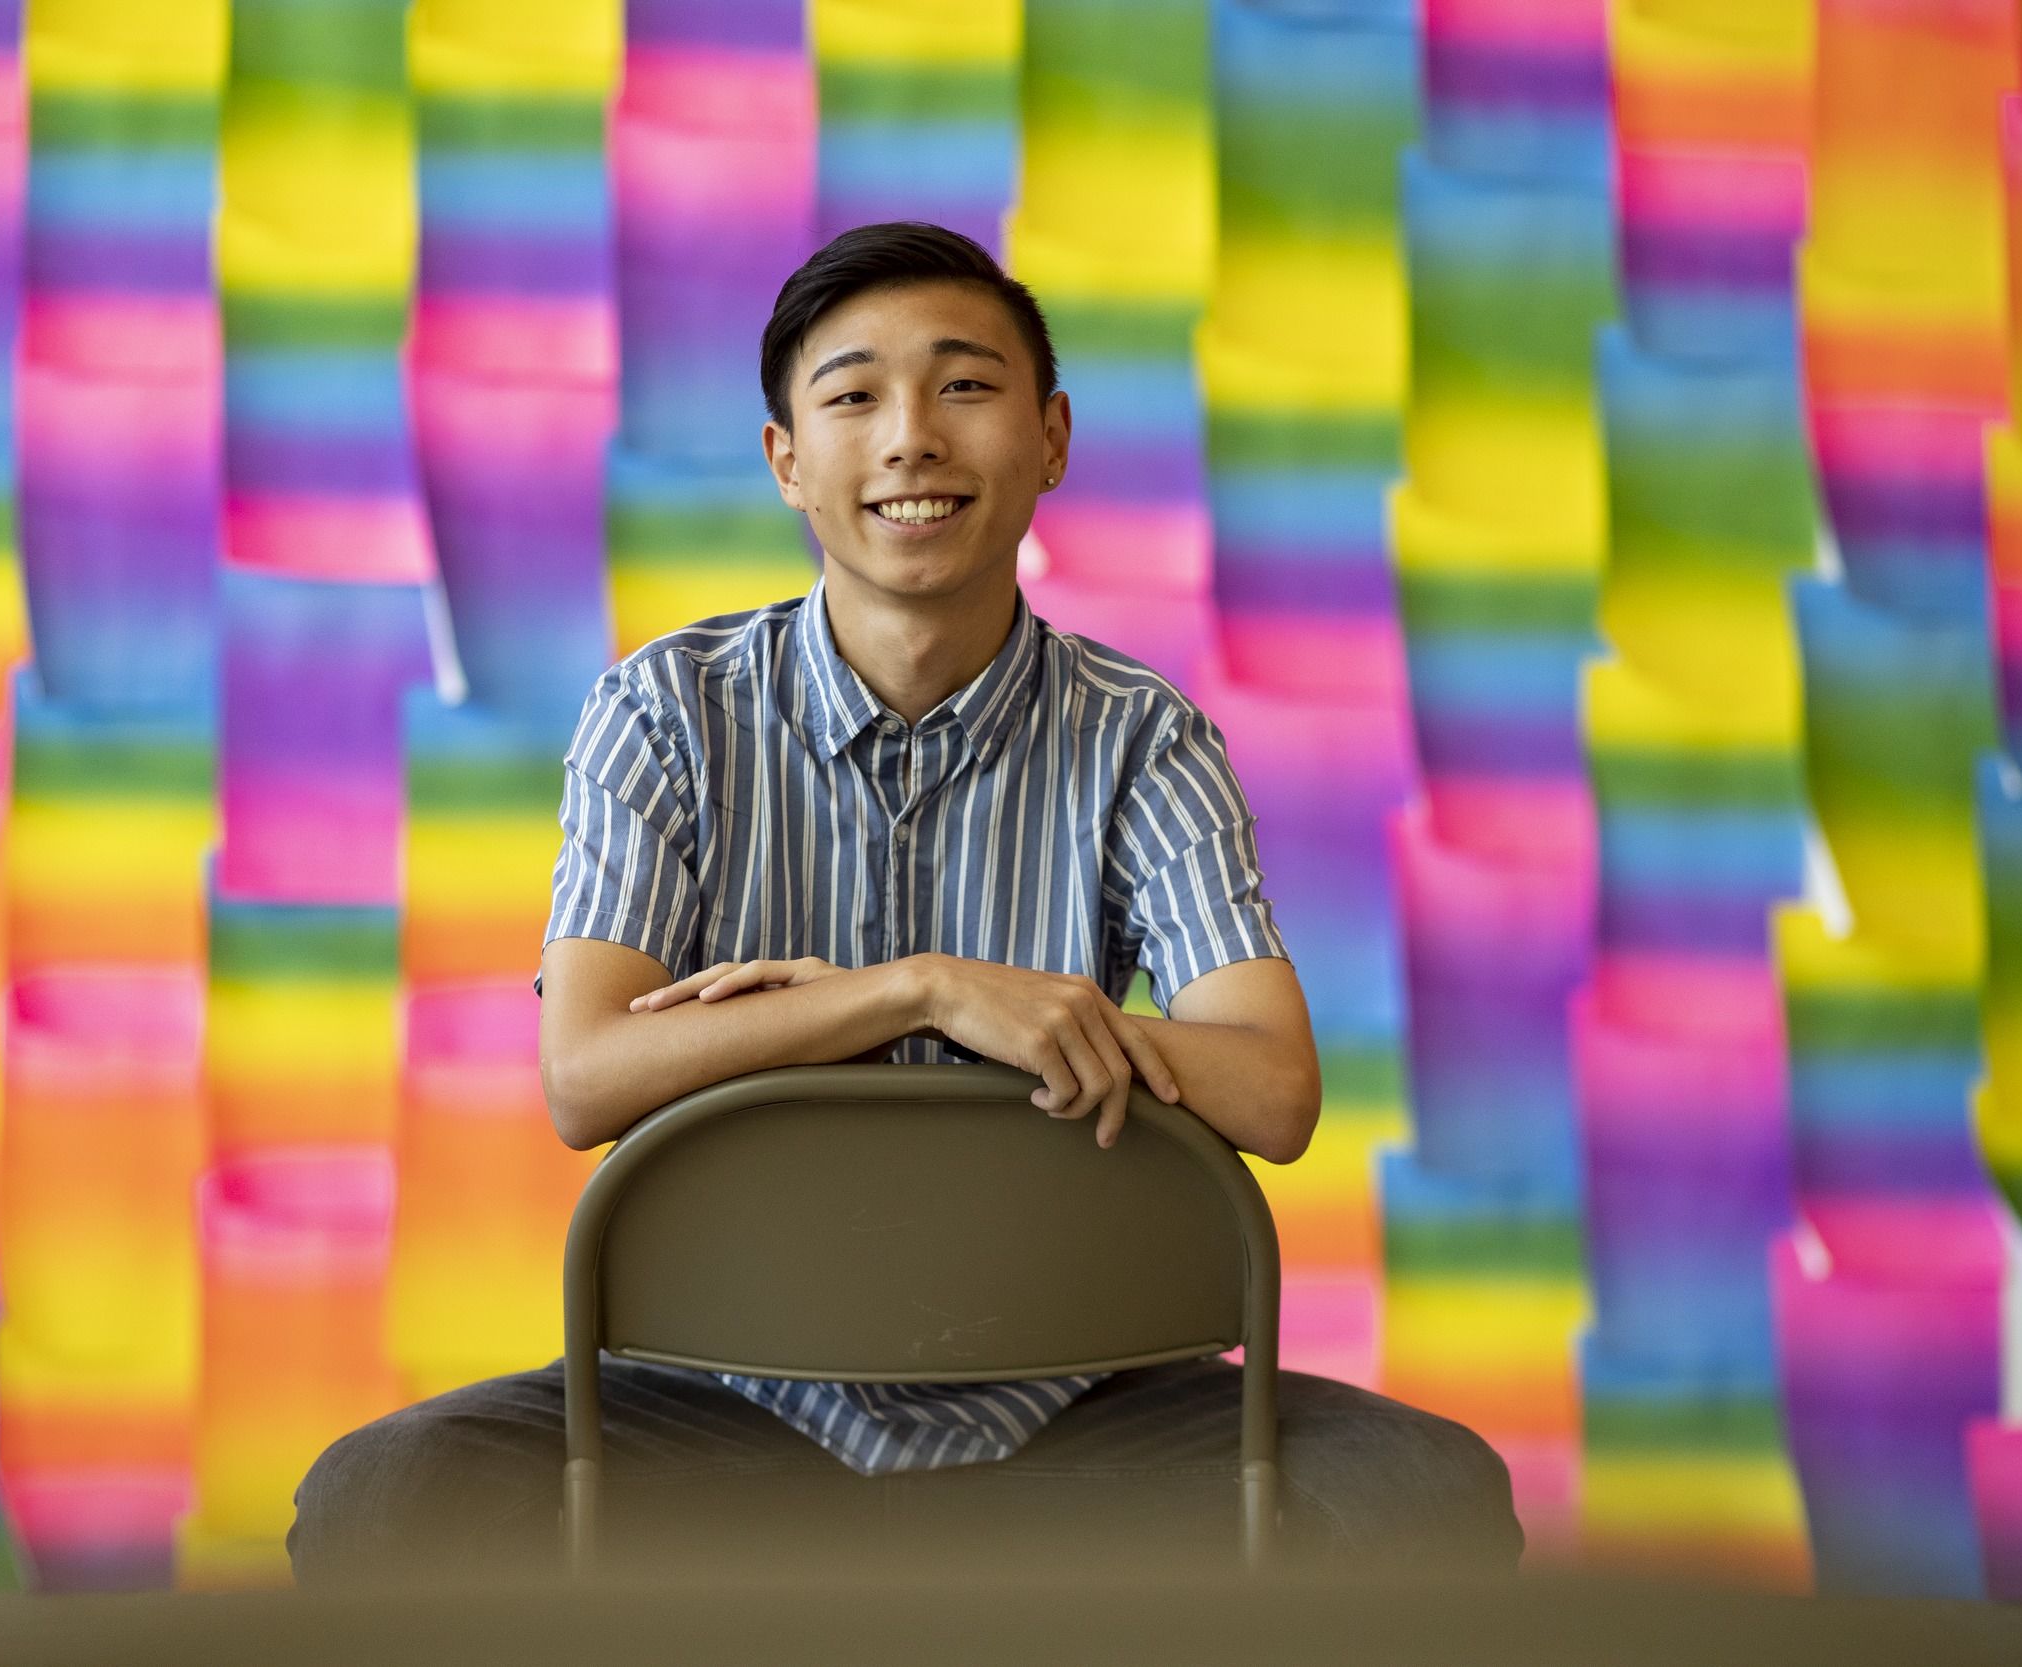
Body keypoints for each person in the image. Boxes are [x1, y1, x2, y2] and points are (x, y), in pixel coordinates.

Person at [287, 221, 1522, 1583]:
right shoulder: (663, 714)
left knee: (1422, 1492)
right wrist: (922, 991)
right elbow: (585, 1077)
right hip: (723, 1409)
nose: (912, 438)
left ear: (1051, 440)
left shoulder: (1142, 738)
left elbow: (1274, 1089)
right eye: (854, 395)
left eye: (966, 386)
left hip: (1082, 1411)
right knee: (389, 1498)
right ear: (786, 462)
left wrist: (1003, 1019)